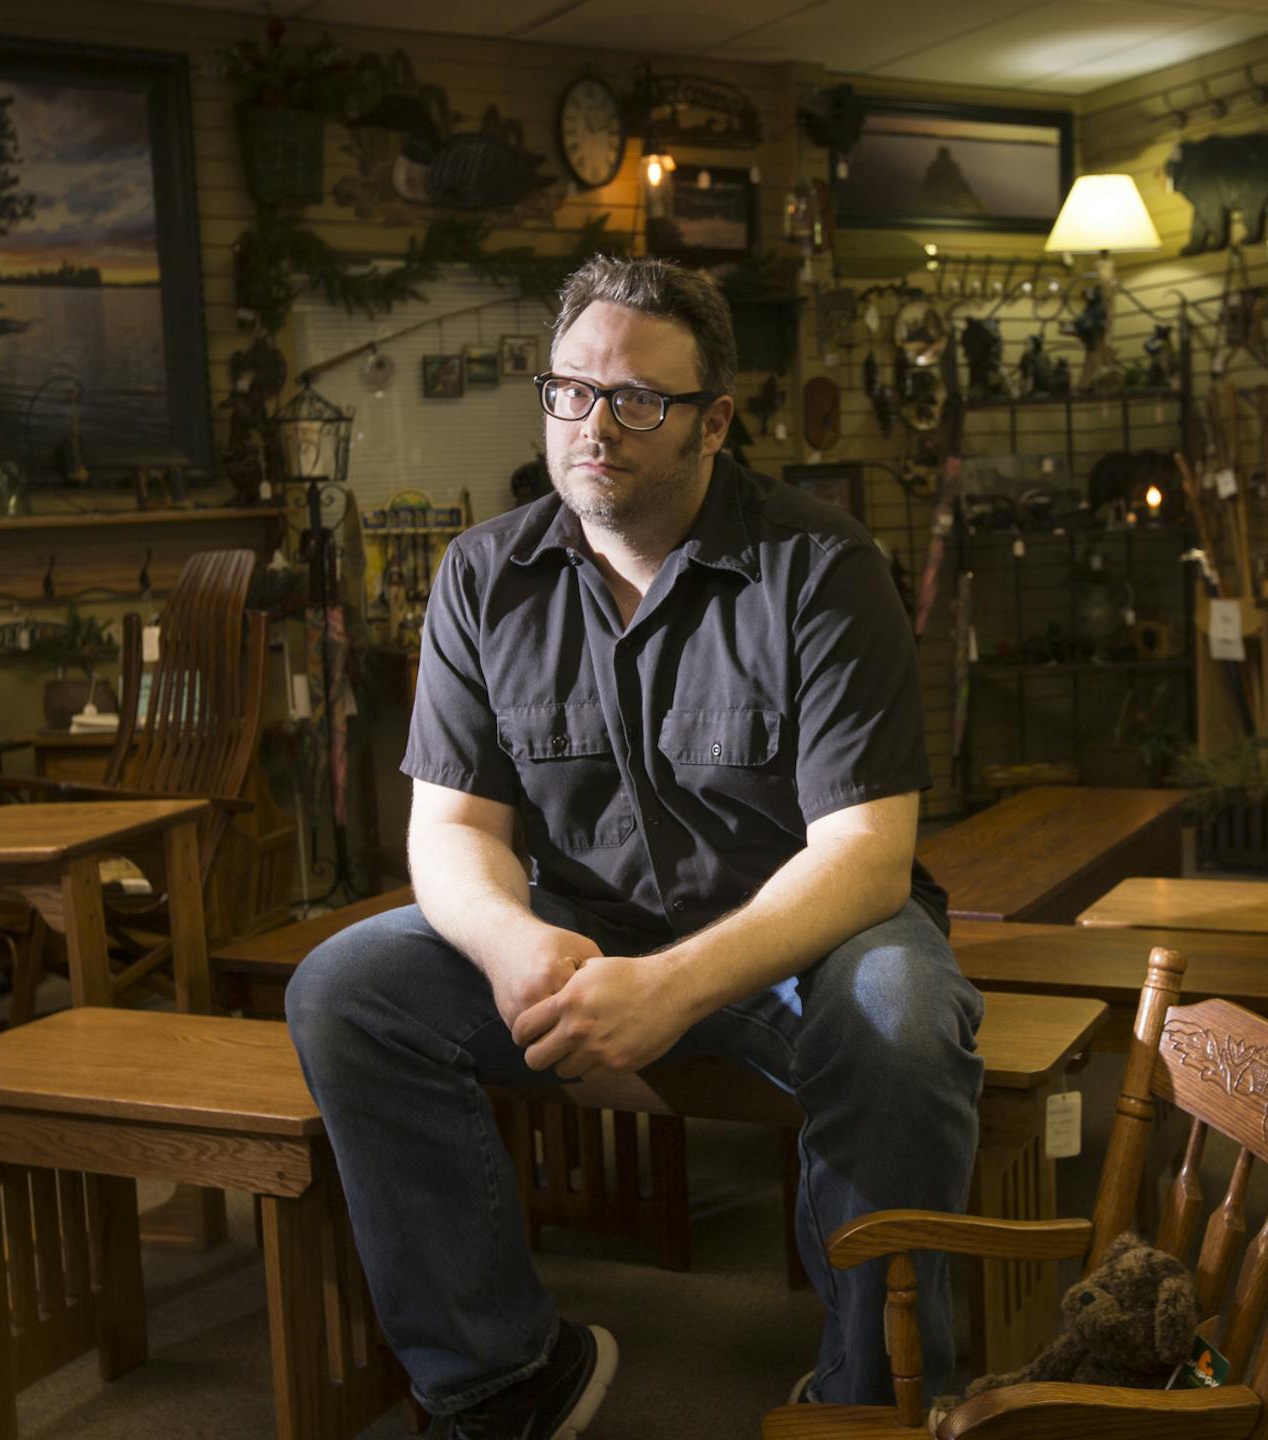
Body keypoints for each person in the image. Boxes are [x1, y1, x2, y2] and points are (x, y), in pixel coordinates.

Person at [286, 256, 983, 1439]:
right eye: (571, 391)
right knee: (347, 990)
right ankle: (501, 1376)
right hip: (579, 934)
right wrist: (511, 947)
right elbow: (451, 829)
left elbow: (866, 853)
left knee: (904, 1029)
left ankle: (882, 1403)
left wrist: (670, 987)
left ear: (714, 419)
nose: (595, 425)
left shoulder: (822, 568)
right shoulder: (481, 575)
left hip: (804, 935)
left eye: (638, 399)